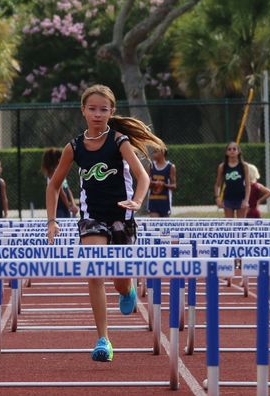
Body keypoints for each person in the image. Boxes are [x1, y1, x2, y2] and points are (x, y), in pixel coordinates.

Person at [43, 84, 163, 362]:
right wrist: (51, 221)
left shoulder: (119, 141)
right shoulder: (73, 147)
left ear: (111, 112)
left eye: (103, 110)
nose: (97, 114)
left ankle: (127, 288)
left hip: (122, 216)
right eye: (92, 109)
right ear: (83, 110)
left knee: (120, 281)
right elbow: (53, 186)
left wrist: (137, 200)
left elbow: (143, 176)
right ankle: (104, 339)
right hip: (91, 217)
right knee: (95, 271)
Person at [213, 142, 252, 218]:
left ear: (238, 151)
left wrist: (246, 200)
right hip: (228, 198)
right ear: (226, 152)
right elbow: (218, 184)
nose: (232, 151)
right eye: (229, 149)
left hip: (241, 197)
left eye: (234, 149)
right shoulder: (222, 166)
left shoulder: (244, 166)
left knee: (240, 224)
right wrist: (217, 197)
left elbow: (248, 184)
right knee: (229, 223)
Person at [43, 147, 79, 219]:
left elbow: (67, 189)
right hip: (58, 207)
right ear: (58, 160)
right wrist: (69, 207)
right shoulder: (52, 174)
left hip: (65, 206)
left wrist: (73, 204)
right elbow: (61, 192)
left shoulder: (60, 172)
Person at [147, 147, 176, 217]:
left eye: (155, 152)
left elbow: (174, 186)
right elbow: (146, 183)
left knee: (164, 226)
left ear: (162, 152)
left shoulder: (171, 167)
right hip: (153, 201)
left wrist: (163, 184)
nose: (153, 154)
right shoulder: (151, 166)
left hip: (165, 202)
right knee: (154, 224)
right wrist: (154, 183)